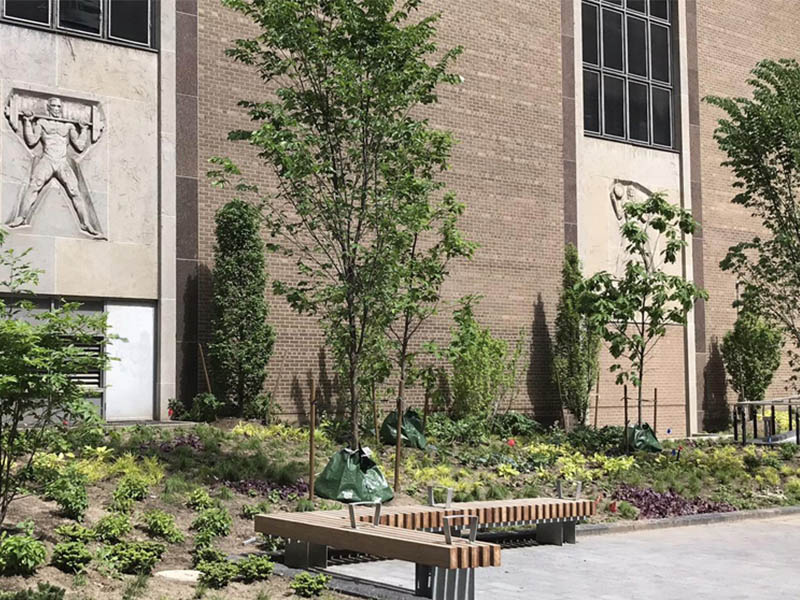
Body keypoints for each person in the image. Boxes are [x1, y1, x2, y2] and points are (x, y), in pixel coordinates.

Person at [7, 97, 104, 238]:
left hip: (62, 162)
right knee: (34, 186)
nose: (57, 109)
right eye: (54, 106)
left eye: (59, 106)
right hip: (47, 159)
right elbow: (32, 141)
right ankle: (20, 217)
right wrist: (27, 122)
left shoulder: (68, 126)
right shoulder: (42, 122)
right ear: (49, 107)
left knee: (75, 191)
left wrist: (83, 129)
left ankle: (86, 223)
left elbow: (80, 145)